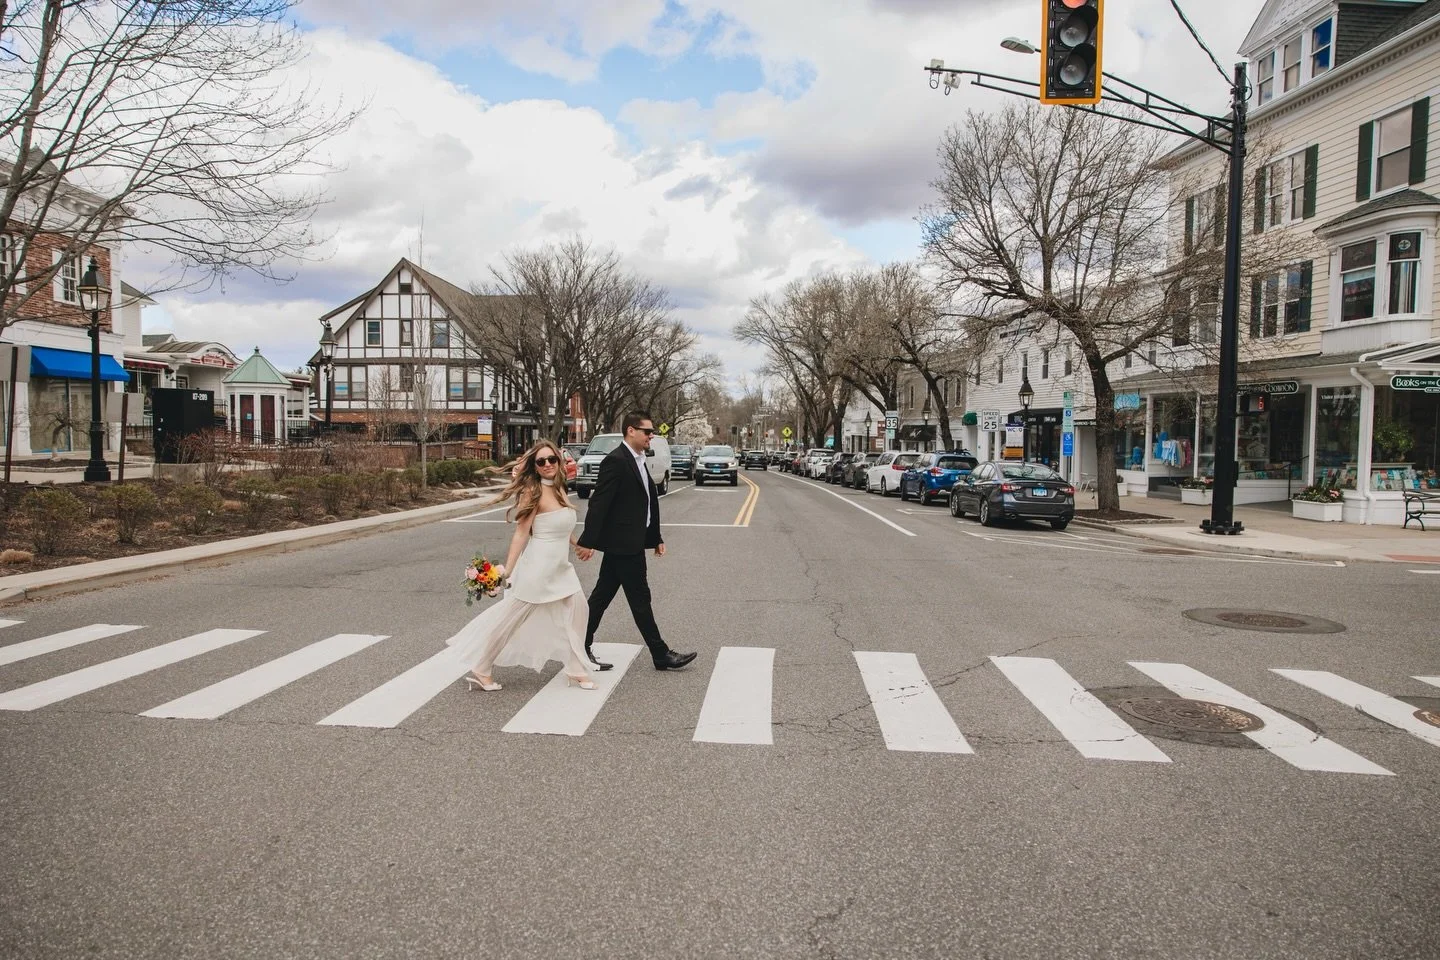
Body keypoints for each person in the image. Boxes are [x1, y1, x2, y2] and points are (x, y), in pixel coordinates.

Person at [446, 441, 597, 691]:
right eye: (541, 462)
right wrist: (508, 569)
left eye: (552, 460)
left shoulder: (559, 488)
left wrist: (578, 544)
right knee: (510, 620)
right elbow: (521, 533)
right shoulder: (534, 492)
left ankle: (575, 668)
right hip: (538, 569)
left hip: (560, 567)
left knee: (580, 609)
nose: (548, 464)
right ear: (535, 467)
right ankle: (482, 668)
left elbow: (559, 525)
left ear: (559, 462)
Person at [575, 410, 697, 672]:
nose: (651, 436)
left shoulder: (640, 459)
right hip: (622, 544)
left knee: (602, 597)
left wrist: (655, 538)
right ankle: (660, 654)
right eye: (647, 431)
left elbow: (648, 503)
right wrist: (587, 540)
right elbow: (600, 503)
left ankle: (579, 645)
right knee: (638, 599)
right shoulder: (616, 460)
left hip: (631, 542)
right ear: (631, 430)